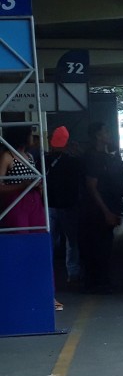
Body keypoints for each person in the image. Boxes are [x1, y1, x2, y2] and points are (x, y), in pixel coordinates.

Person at [0, 126, 61, 309]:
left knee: (40, 246)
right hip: (15, 204)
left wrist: (37, 188)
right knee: (20, 247)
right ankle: (20, 296)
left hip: (34, 202)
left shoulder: (29, 156)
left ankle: (46, 295)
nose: (33, 138)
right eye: (30, 134)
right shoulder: (6, 156)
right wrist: (23, 186)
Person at [80, 122, 123, 294]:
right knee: (99, 247)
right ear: (98, 135)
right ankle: (97, 282)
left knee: (103, 246)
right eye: (106, 130)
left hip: (104, 208)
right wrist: (106, 211)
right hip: (97, 211)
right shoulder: (94, 157)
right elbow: (92, 186)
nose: (109, 134)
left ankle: (99, 281)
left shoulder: (103, 156)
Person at [45, 126, 84, 285]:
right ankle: (73, 273)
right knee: (72, 241)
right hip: (69, 205)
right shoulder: (74, 162)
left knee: (49, 240)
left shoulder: (44, 159)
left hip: (49, 204)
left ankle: (47, 272)